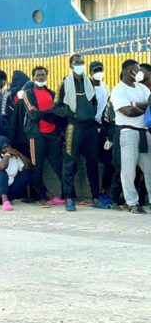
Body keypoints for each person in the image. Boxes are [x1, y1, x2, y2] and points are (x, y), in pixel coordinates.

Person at [55, 54, 100, 212]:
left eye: (81, 62)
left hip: (90, 128)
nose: (79, 65)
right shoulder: (65, 84)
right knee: (69, 163)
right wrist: (70, 115)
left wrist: (89, 114)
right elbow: (56, 106)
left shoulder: (89, 83)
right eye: (76, 63)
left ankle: (96, 196)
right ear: (71, 65)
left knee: (93, 162)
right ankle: (69, 198)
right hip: (74, 128)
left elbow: (94, 103)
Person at [110, 59, 151, 213]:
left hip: (143, 132)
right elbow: (128, 112)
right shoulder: (118, 90)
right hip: (128, 132)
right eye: (137, 69)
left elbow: (150, 103)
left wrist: (134, 104)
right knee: (128, 170)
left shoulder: (142, 88)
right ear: (129, 71)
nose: (140, 72)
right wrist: (141, 107)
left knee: (149, 169)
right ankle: (132, 203)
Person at [22, 67, 65, 206]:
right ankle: (41, 197)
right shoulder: (27, 94)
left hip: (52, 135)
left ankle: (67, 194)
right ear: (33, 77)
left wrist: (45, 114)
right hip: (36, 136)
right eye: (38, 75)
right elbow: (33, 115)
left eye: (43, 75)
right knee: (37, 167)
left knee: (60, 165)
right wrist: (49, 113)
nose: (41, 77)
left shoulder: (52, 94)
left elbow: (59, 114)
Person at [0, 136, 31, 211]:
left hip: (9, 190)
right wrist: (7, 154)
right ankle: (5, 201)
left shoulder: (14, 157)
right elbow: (2, 166)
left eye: (8, 146)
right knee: (2, 172)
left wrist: (19, 154)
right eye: (4, 148)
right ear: (0, 150)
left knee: (26, 173)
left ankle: (9, 199)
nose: (7, 149)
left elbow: (28, 166)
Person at [90, 61, 113, 203]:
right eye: (96, 70)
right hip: (92, 128)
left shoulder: (104, 86)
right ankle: (95, 194)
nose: (99, 72)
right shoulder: (89, 88)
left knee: (109, 161)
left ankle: (105, 189)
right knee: (93, 161)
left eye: (100, 69)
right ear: (91, 72)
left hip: (104, 128)